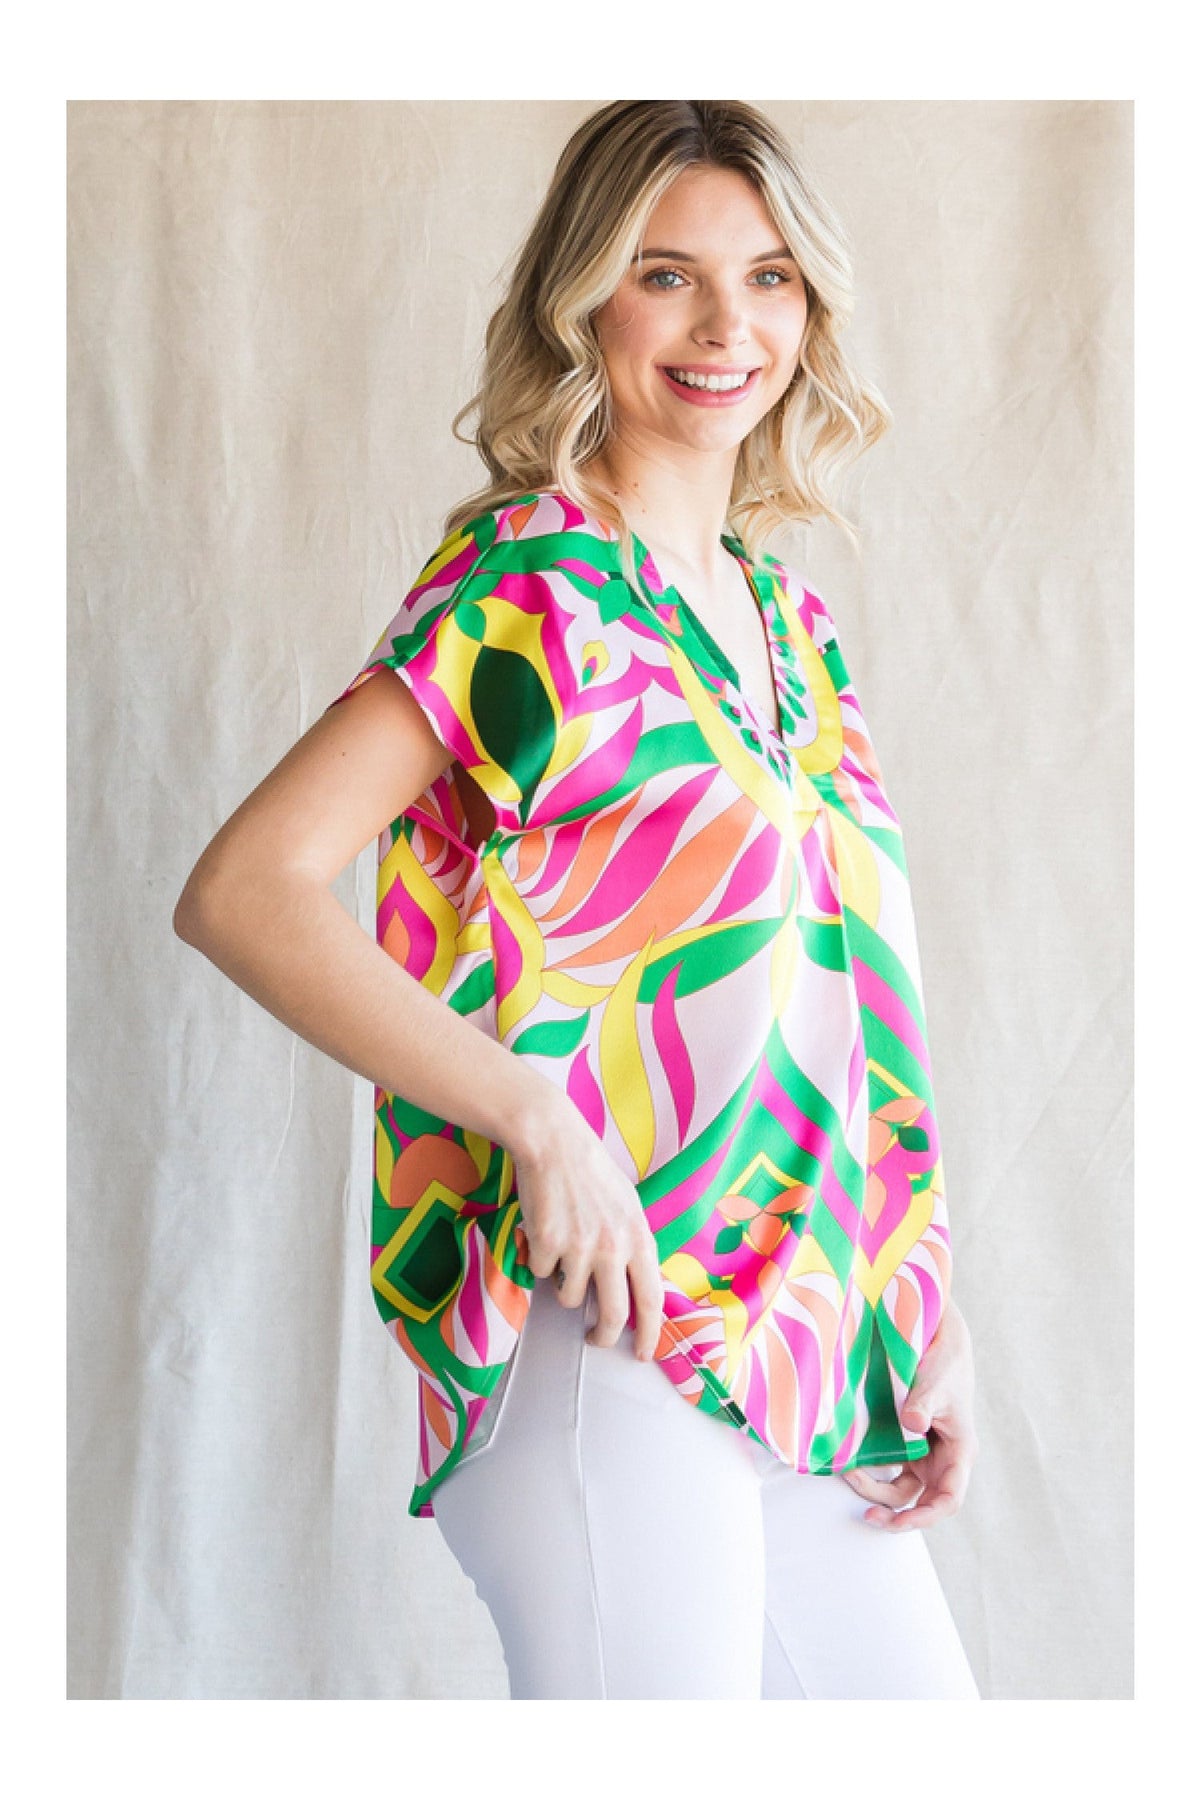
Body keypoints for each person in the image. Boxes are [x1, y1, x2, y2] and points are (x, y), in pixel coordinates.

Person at [174, 99, 981, 1701]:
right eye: (667, 275)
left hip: (800, 1341)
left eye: (767, 278)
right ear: (584, 300)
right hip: (601, 1335)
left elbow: (850, 999)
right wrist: (536, 1121)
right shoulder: (534, 584)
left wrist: (921, 1299)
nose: (726, 325)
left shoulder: (794, 628)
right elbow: (246, 889)